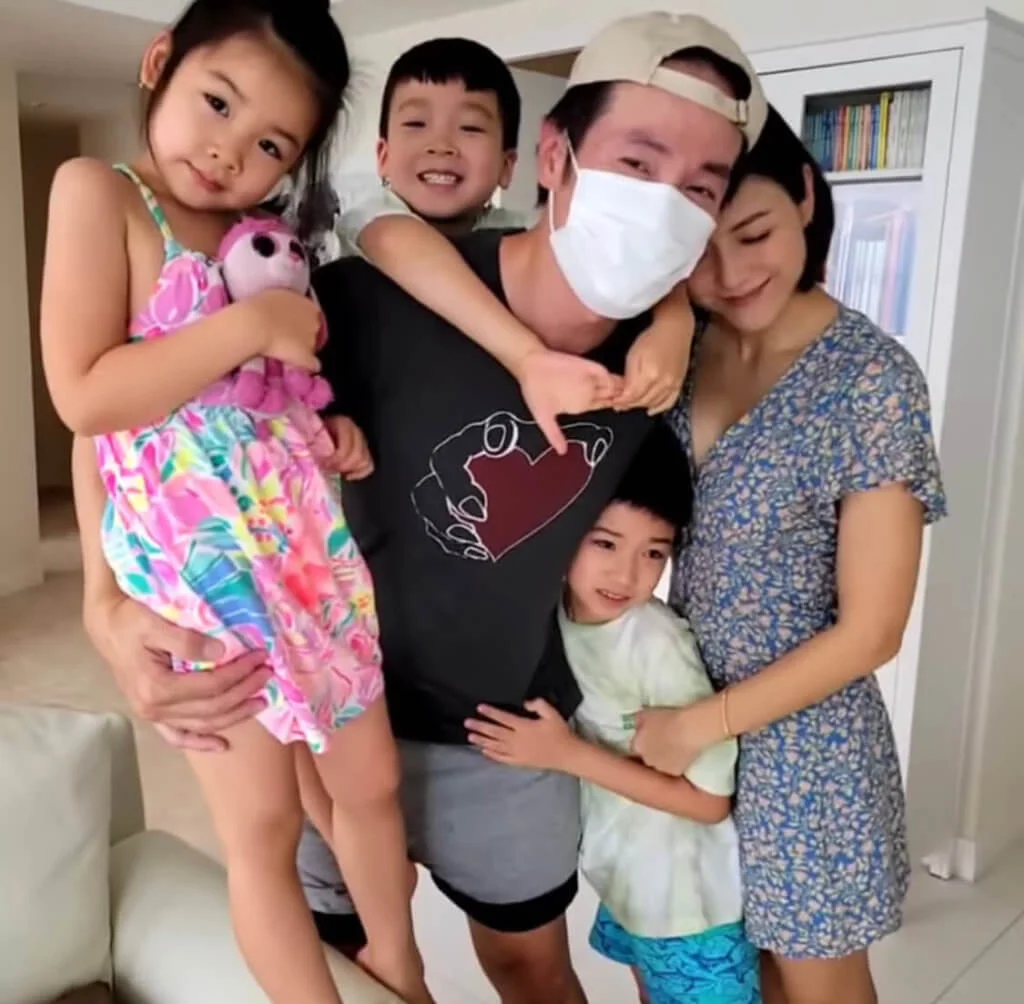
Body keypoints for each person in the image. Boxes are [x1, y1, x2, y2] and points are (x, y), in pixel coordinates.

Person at [76, 12, 768, 1003]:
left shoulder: (668, 368)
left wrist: (674, 310)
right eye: (636, 161)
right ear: (557, 158)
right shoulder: (362, 294)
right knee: (343, 957)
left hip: (506, 735)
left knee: (530, 967)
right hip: (319, 702)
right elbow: (134, 407)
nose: (662, 204)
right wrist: (104, 602)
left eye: (700, 187)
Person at [40, 2, 431, 1002]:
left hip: (307, 554)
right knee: (264, 828)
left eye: (271, 145)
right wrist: (254, 323)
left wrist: (328, 429)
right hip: (198, 577)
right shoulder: (102, 193)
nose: (229, 153)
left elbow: (272, 396)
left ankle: (400, 965)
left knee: (373, 783)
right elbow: (87, 398)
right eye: (218, 102)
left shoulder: (270, 239)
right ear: (159, 61)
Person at [633, 106, 947, 1004]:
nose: (731, 276)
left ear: (806, 197)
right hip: (685, 711)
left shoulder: (871, 379)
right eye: (699, 252)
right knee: (702, 979)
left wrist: (701, 726)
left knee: (812, 989)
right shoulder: (681, 352)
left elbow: (873, 630)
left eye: (754, 234)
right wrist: (667, 311)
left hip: (806, 750)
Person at [465, 423, 762, 1004]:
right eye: (605, 543)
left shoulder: (654, 642)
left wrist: (565, 754)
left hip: (690, 910)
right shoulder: (554, 611)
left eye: (654, 553)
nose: (626, 575)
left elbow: (708, 802)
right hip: (631, 888)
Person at [337, 36, 698, 453]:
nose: (441, 145)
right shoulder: (372, 218)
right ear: (382, 156)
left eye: (470, 128)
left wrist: (675, 321)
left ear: (508, 166)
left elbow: (616, 248)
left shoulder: (513, 230)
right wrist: (528, 358)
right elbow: (400, 242)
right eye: (416, 124)